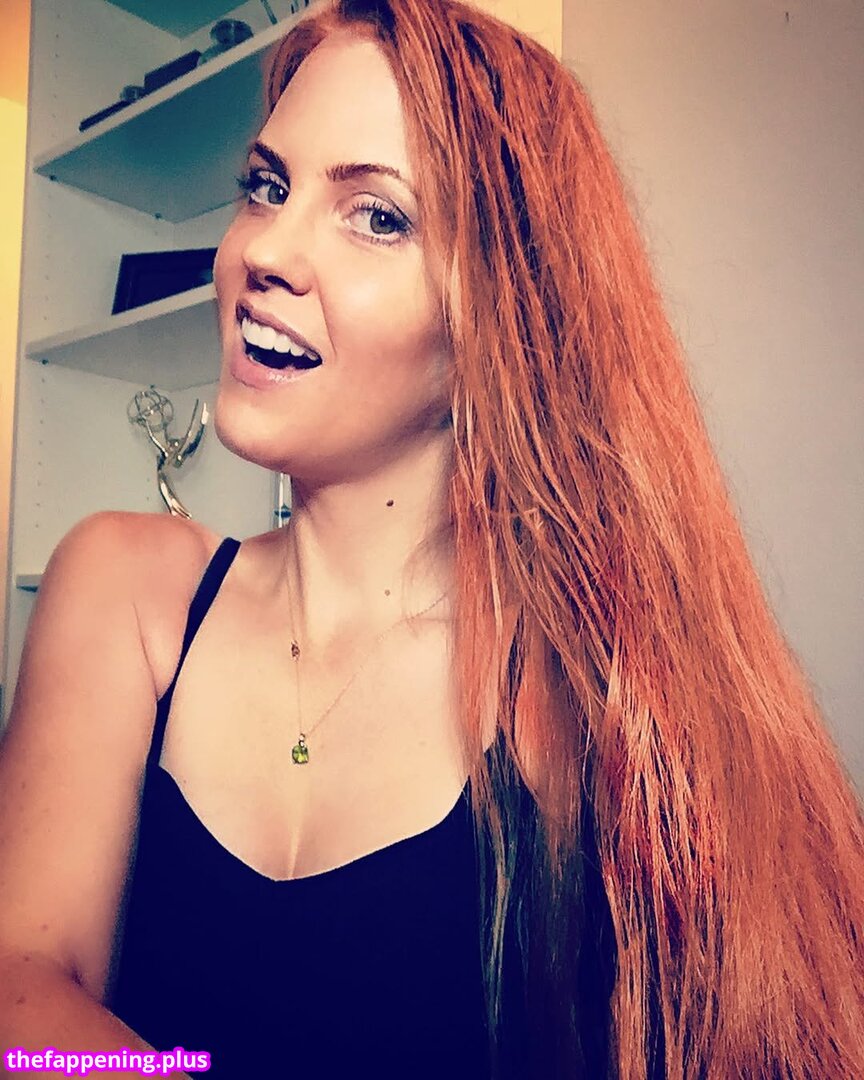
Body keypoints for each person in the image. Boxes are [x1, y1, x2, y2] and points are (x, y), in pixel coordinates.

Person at [1, 0, 862, 1076]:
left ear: (498, 315)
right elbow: (23, 990)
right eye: (267, 186)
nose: (264, 249)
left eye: (376, 216)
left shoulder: (590, 689)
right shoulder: (124, 590)